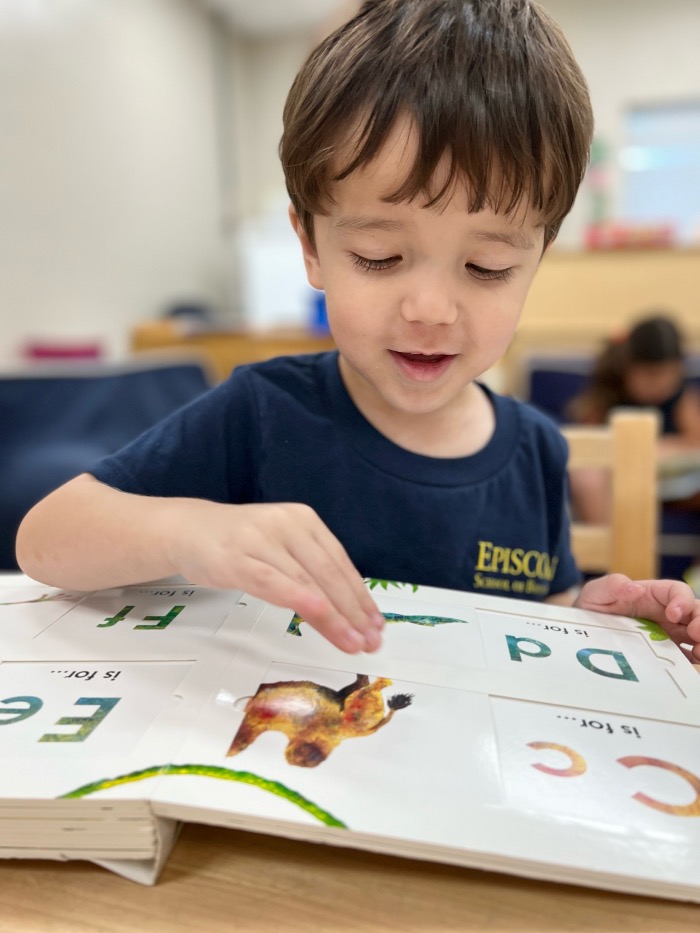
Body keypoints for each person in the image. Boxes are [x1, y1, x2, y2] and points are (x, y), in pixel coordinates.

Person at [16, 0, 700, 663]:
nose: (430, 308)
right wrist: (190, 531)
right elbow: (43, 541)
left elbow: (533, 623)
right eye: (379, 257)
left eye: (486, 266)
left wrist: (586, 618)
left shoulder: (538, 453)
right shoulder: (259, 413)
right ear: (311, 247)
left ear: (535, 262)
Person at [567, 315, 700, 524]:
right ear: (626, 368)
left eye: (670, 374)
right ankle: (609, 554)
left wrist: (661, 450)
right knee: (587, 475)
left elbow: (694, 442)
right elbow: (589, 447)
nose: (661, 383)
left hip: (671, 482)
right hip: (620, 482)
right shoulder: (607, 395)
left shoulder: (681, 398)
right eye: (651, 375)